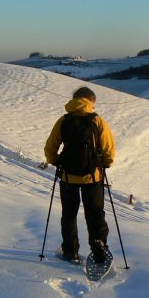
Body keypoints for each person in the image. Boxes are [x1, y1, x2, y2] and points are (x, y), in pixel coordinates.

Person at [44, 86, 115, 264]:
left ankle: (71, 252)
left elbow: (50, 148)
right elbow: (109, 150)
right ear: (91, 101)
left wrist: (55, 161)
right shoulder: (97, 121)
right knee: (95, 213)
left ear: (74, 100)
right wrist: (105, 164)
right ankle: (98, 244)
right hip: (93, 177)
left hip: (68, 177)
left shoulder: (64, 120)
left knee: (69, 215)